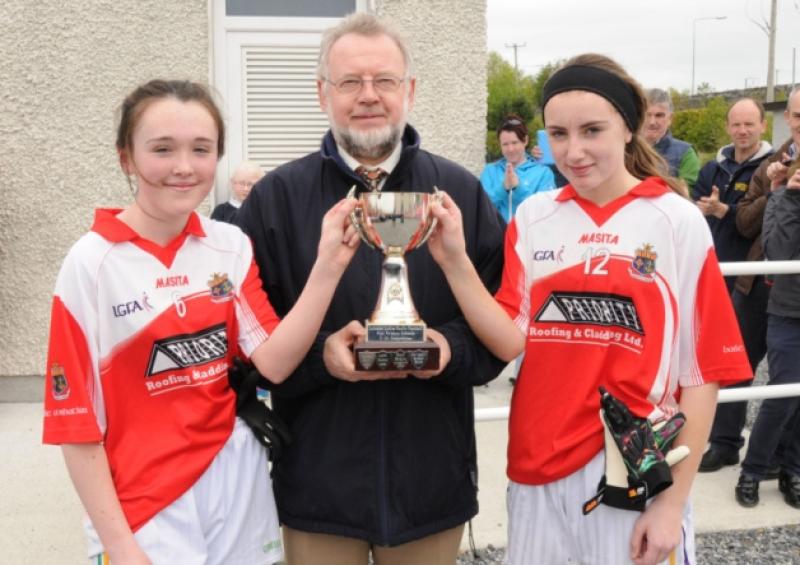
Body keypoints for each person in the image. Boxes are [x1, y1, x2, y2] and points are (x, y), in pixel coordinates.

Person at [427, 54, 751, 564]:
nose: (573, 151)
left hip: (635, 469)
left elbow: (701, 371)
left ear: (628, 128)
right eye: (558, 134)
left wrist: (672, 505)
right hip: (536, 463)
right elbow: (510, 339)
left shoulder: (675, 220)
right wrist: (454, 261)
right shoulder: (534, 217)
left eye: (592, 130)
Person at [41, 79, 360, 565]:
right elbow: (76, 424)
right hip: (146, 507)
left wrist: (329, 266)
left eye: (201, 149)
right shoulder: (90, 263)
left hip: (237, 488)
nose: (184, 166)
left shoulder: (229, 245)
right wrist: (120, 546)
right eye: (162, 149)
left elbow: (274, 362)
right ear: (127, 158)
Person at [237, 13, 505, 565]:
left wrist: (448, 351)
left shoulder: (458, 193)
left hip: (431, 481)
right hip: (318, 485)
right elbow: (245, 346)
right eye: (349, 82)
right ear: (323, 94)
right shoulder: (274, 200)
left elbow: (501, 328)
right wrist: (321, 357)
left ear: (410, 90)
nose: (368, 96)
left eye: (384, 80)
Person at [691, 98, 773, 473]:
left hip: (751, 279)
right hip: (713, 273)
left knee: (742, 359)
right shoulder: (714, 167)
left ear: (763, 126)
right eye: (736, 124)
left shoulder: (770, 169)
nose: (742, 131)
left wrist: (726, 211)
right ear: (727, 127)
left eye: (749, 124)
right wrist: (703, 209)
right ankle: (719, 440)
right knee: (718, 359)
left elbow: (753, 222)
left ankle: (741, 447)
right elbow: (695, 205)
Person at [734, 87, 800, 509]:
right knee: (782, 394)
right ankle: (752, 471)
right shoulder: (778, 174)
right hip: (789, 308)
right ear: (788, 119)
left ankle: (792, 471)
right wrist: (786, 193)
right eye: (798, 115)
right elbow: (776, 250)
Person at [480, 114, 555, 222]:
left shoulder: (543, 173)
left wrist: (518, 188)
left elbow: (545, 212)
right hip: (496, 233)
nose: (510, 149)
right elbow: (481, 209)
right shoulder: (490, 171)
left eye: (515, 143)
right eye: (505, 144)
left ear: (525, 140)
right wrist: (503, 188)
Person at [643, 88, 700, 190]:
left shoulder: (686, 153)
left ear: (670, 118)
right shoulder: (624, 149)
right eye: (647, 115)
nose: (652, 122)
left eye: (659, 115)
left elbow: (686, 194)